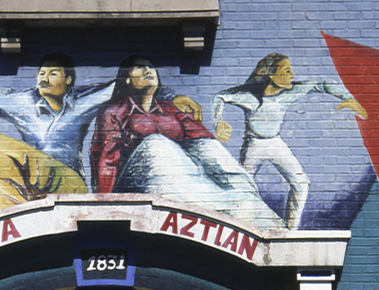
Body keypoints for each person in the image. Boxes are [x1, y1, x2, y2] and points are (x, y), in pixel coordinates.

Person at [0, 53, 206, 215]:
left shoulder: (86, 99)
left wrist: (173, 95)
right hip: (28, 184)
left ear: (69, 80)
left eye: (52, 73)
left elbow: (128, 82)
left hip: (68, 184)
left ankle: (10, 224)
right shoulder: (21, 102)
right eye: (41, 72)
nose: (43, 77)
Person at [91, 56, 281, 227]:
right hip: (133, 187)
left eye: (151, 68)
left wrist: (243, 188)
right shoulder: (114, 111)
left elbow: (205, 144)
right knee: (156, 144)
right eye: (139, 68)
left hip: (180, 182)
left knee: (211, 150)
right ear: (126, 79)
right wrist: (108, 208)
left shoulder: (172, 109)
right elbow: (107, 160)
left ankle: (244, 204)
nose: (148, 71)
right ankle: (210, 207)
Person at [211, 53, 365, 225]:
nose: (292, 75)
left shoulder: (290, 91)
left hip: (276, 143)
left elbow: (321, 85)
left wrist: (348, 98)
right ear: (271, 74)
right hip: (254, 146)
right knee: (242, 185)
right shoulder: (248, 95)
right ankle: (236, 222)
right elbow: (220, 97)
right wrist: (218, 121)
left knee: (301, 183)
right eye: (286, 70)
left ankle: (290, 230)